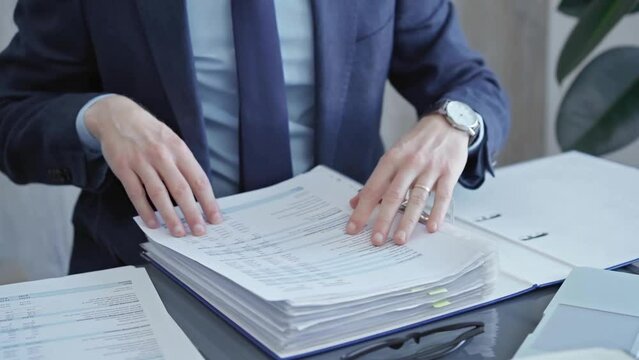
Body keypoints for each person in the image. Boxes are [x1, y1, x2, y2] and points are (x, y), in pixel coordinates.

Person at [0, 0, 509, 274]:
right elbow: (11, 110)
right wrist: (99, 116)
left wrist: (453, 123)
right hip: (149, 271)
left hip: (350, 264)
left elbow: (467, 83)